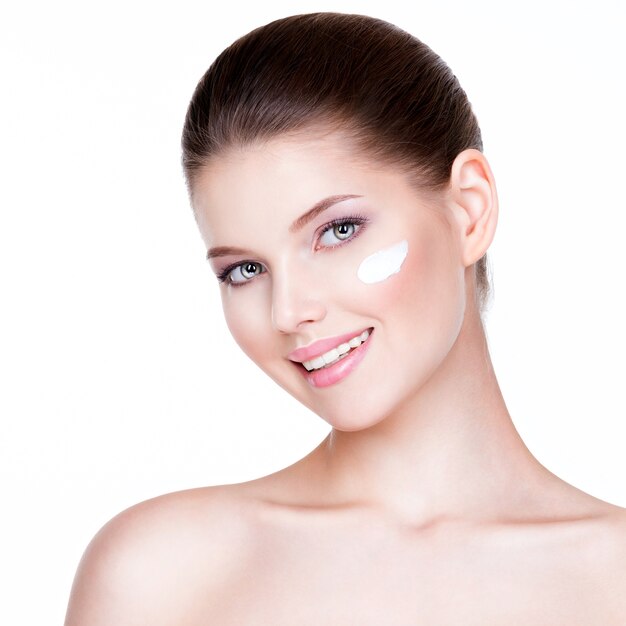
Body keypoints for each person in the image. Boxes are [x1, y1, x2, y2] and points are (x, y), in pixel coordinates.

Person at [65, 12, 626, 624]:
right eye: (244, 270)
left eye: (337, 231)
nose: (288, 311)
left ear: (469, 211)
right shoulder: (160, 574)